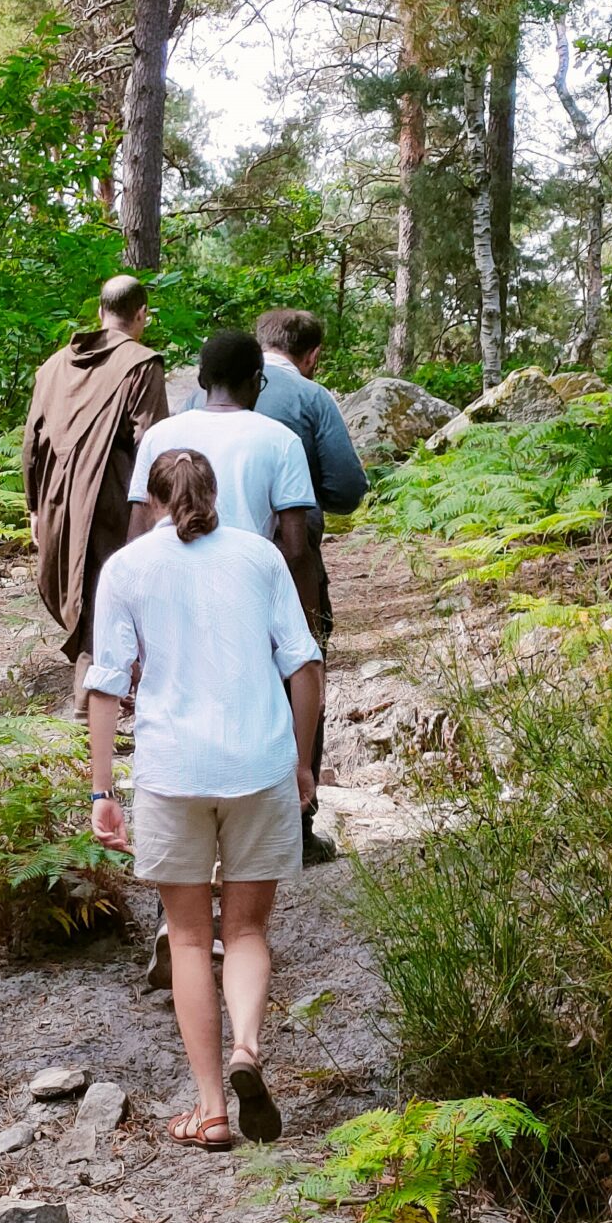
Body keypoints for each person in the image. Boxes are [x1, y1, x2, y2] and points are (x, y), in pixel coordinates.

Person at [86, 453, 321, 1148]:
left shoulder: (126, 568)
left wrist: (102, 788)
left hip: (174, 771)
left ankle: (212, 1109)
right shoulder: (259, 557)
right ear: (215, 494)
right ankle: (248, 1046)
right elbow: (304, 664)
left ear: (155, 501)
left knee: (188, 939)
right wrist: (301, 761)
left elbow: (106, 683)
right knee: (246, 932)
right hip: (259, 763)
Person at [251, 308, 369, 861]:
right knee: (301, 670)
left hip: (205, 557)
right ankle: (296, 824)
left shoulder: (204, 396)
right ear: (312, 354)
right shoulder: (311, 398)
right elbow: (347, 488)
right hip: (290, 557)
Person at [23, 275, 168, 717]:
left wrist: (34, 507)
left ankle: (99, 703)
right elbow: (152, 443)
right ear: (141, 314)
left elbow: (31, 443)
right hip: (114, 498)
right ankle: (95, 708)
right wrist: (163, 509)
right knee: (111, 597)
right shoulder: (142, 364)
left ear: (100, 311)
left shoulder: (52, 367)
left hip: (57, 499)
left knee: (88, 598)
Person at [127, 329, 321, 629]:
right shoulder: (282, 440)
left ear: (201, 380)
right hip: (246, 602)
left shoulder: (158, 436)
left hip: (170, 601)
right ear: (256, 379)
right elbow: (296, 552)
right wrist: (310, 630)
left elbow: (137, 536)